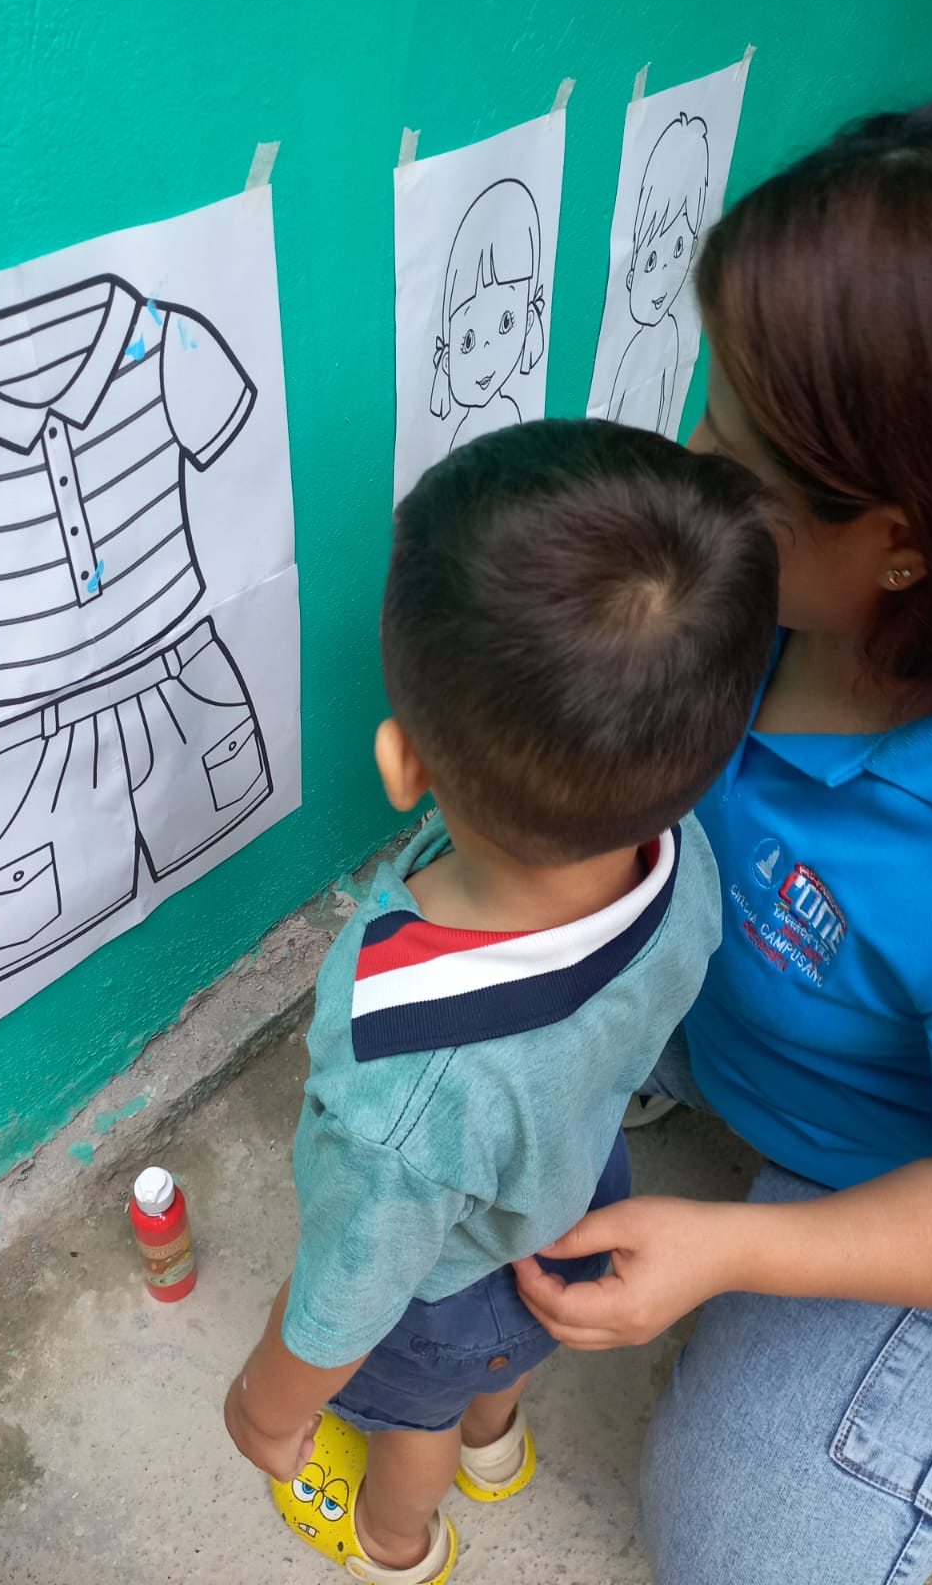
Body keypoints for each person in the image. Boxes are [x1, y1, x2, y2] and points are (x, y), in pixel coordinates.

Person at [516, 90, 932, 1585]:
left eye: (736, 457)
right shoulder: (773, 593)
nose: (687, 464)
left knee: (746, 1557)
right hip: (727, 1010)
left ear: (906, 542)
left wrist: (733, 1248)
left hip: (928, 1178)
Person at [224, 417, 778, 1584]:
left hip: (439, 1290)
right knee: (500, 1360)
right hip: (577, 1197)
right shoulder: (681, 861)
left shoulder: (406, 1084)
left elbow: (349, 1292)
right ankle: (499, 1446)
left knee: (413, 1414)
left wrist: (268, 1406)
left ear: (403, 765)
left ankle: (396, 1540)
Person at [607, 112, 708, 435]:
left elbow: (666, 405)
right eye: (650, 260)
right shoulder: (630, 353)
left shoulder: (673, 336)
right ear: (631, 273)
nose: (664, 272)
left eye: (679, 247)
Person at [429, 179, 546, 450]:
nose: (487, 350)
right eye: (468, 341)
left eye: (506, 322)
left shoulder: (513, 413)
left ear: (528, 319)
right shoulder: (463, 439)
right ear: (447, 361)